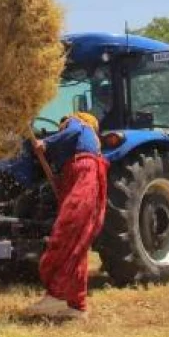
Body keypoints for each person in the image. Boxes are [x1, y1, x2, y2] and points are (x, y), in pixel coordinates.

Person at [23, 112, 109, 321]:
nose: (62, 127)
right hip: (80, 173)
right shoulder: (89, 143)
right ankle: (77, 305)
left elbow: (72, 132)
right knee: (78, 243)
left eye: (62, 125)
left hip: (83, 171)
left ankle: (57, 295)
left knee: (66, 233)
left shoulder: (77, 123)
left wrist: (46, 142)